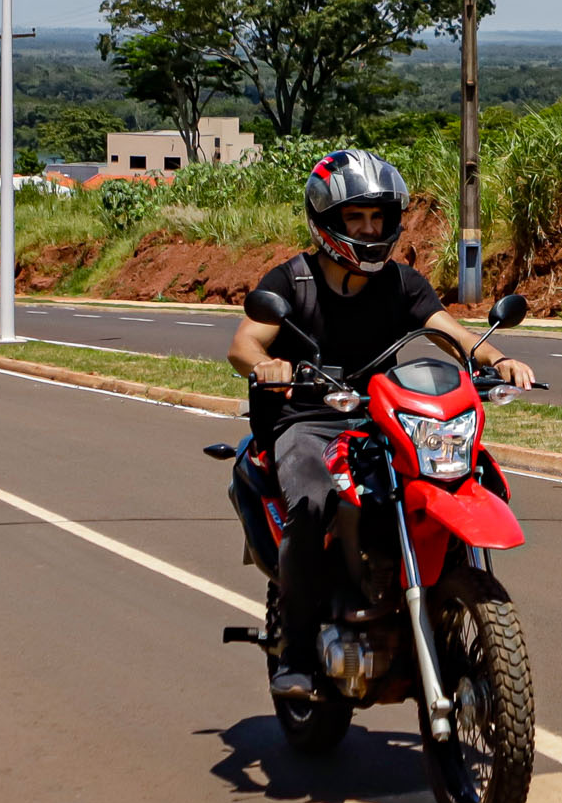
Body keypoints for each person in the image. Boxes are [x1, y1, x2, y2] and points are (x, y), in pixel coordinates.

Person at [227, 149, 534, 696]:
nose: (369, 229)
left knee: (454, 478)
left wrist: (495, 359)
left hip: (381, 419)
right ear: (327, 221)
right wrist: (268, 366)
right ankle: (297, 652)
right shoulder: (293, 281)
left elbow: (450, 333)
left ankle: (433, 598)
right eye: (355, 218)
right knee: (312, 501)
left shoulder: (401, 283)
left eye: (378, 218)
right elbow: (243, 343)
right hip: (311, 418)